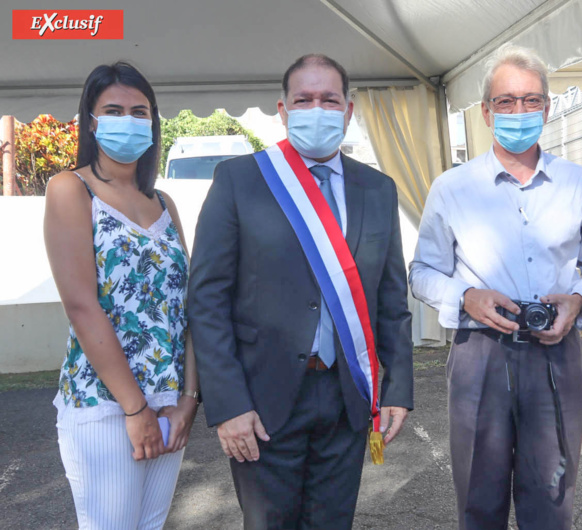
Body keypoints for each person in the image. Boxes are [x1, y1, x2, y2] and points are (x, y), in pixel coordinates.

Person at [188, 54, 413, 530]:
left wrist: (398, 389)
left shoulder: (377, 189)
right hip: (262, 400)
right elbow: (207, 300)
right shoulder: (240, 180)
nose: (317, 110)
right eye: (304, 100)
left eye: (329, 100)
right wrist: (228, 405)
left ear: (348, 110)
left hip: (347, 396)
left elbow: (391, 300)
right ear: (283, 110)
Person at [410, 44, 582, 530]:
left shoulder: (579, 184)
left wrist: (578, 301)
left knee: (551, 499)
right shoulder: (452, 187)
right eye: (506, 101)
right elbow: (422, 271)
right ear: (485, 111)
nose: (519, 111)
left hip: (555, 350)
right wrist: (464, 297)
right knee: (479, 499)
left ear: (547, 107)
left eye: (530, 100)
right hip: (480, 352)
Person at [44, 62, 200, 529]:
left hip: (169, 404)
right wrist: (135, 408)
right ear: (91, 122)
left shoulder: (164, 203)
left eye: (139, 112)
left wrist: (189, 398)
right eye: (113, 111)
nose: (128, 121)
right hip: (107, 405)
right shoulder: (71, 189)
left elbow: (188, 305)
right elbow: (81, 306)